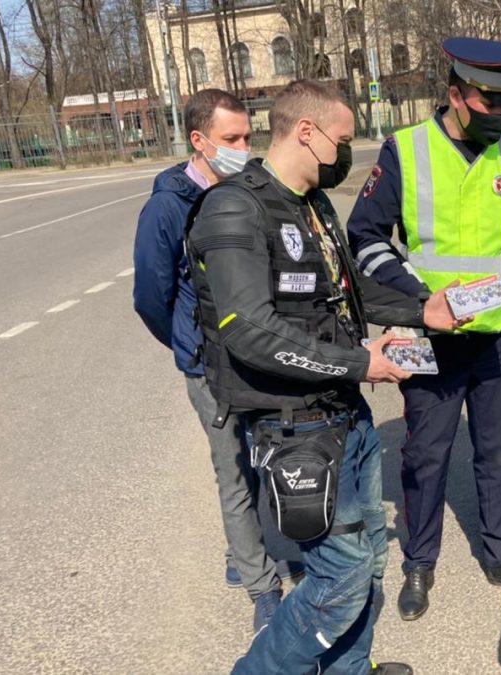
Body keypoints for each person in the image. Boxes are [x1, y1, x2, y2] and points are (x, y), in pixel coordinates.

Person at [186, 79, 463, 674]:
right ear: (306, 132)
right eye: (341, 140)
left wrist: (422, 310)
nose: (345, 154)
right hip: (296, 431)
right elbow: (248, 329)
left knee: (366, 567)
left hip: (346, 417)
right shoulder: (237, 207)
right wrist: (362, 361)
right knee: (339, 579)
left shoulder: (310, 204)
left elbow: (346, 288)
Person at [347, 37, 501, 622]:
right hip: (431, 340)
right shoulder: (405, 150)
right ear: (454, 95)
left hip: (496, 339)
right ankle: (419, 562)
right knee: (425, 458)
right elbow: (364, 237)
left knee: (500, 456)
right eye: (486, 104)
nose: (497, 117)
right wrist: (420, 298)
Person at [132, 88, 301, 633]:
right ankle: (259, 583)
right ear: (198, 141)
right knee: (232, 470)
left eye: (247, 136)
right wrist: (188, 344)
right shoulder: (168, 206)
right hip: (208, 368)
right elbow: (151, 296)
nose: (243, 147)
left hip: (255, 358)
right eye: (231, 139)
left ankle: (247, 550)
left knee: (269, 459)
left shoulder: (247, 192)